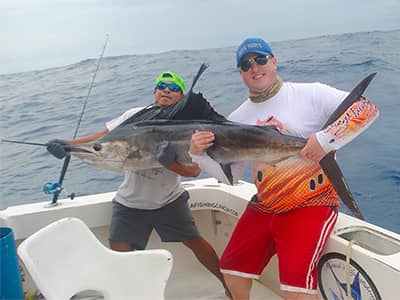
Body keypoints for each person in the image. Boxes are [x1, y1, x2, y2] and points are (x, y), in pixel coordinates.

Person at [189, 38, 379, 300]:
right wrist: (197, 155)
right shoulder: (235, 119)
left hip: (311, 202)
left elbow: (366, 108)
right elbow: (230, 176)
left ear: (274, 61)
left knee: (296, 291)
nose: (255, 67)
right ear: (240, 73)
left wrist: (325, 140)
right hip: (265, 205)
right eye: (246, 64)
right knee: (231, 272)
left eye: (261, 59)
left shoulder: (310, 92)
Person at [46, 70, 230, 296]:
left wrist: (169, 164)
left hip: (169, 200)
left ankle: (227, 283)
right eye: (162, 86)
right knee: (119, 253)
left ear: (182, 98)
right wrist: (67, 145)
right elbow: (101, 139)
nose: (166, 90)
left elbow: (193, 171)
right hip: (130, 202)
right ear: (154, 92)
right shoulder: (134, 116)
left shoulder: (187, 126)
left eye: (174, 88)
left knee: (195, 242)